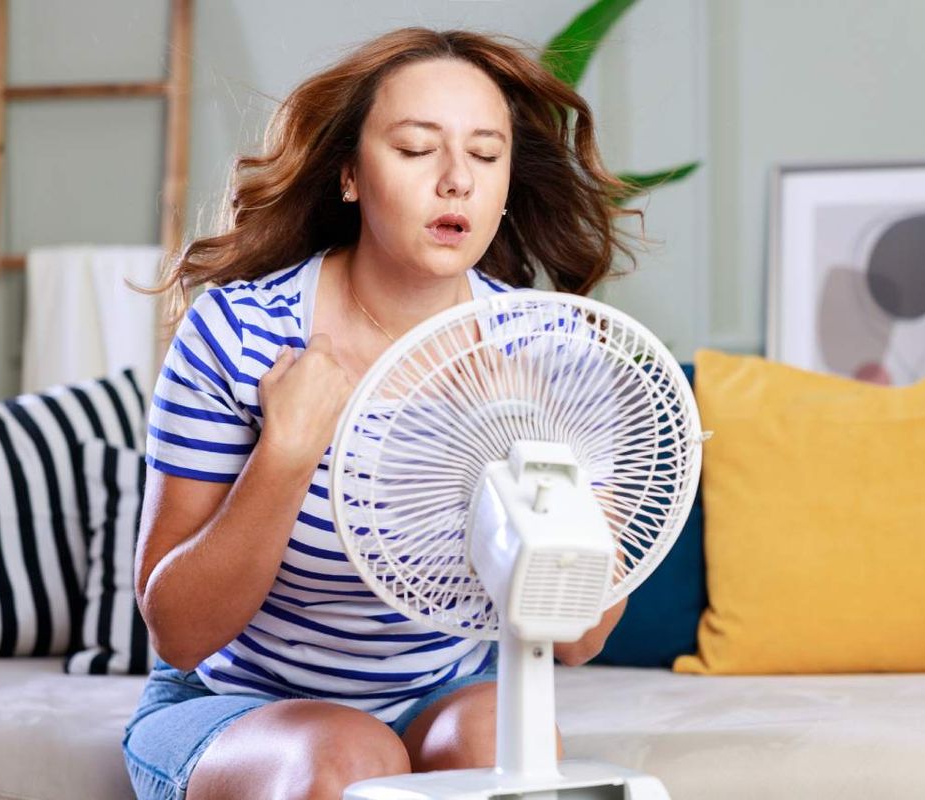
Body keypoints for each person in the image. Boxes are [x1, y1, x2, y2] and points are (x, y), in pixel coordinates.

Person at [125, 26, 645, 800]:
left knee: (498, 742)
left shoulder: (552, 355)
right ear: (350, 176)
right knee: (350, 757)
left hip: (443, 692)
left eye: (485, 153)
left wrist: (542, 466)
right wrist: (287, 453)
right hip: (237, 704)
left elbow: (578, 639)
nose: (456, 181)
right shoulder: (239, 333)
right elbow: (179, 631)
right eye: (415, 149)